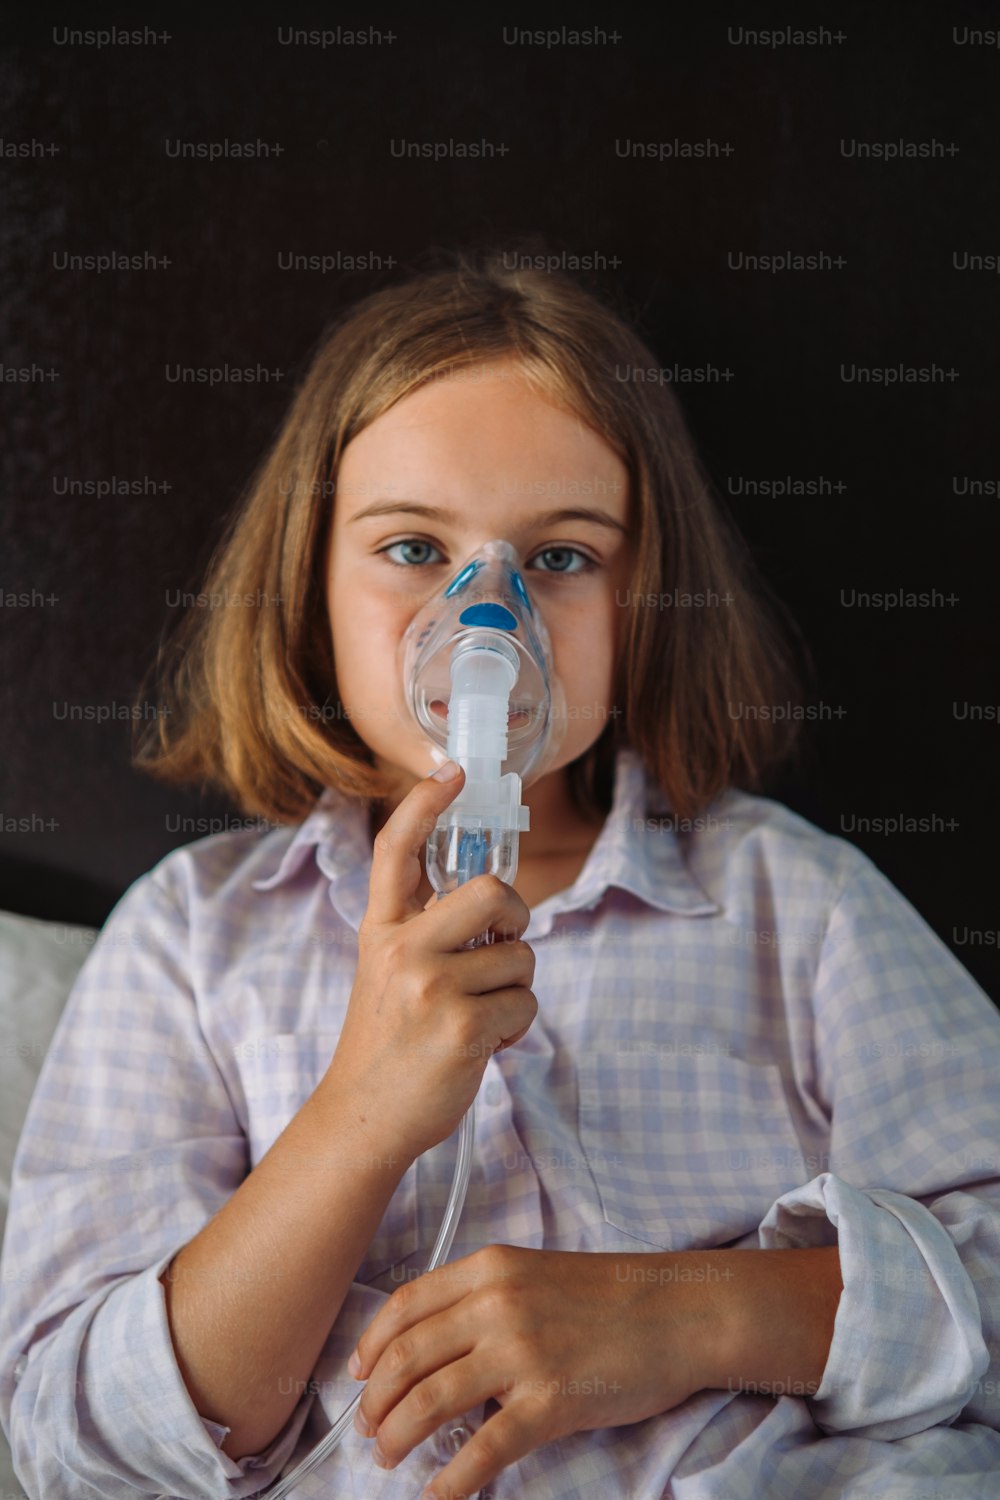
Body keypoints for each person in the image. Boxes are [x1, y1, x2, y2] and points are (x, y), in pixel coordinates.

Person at [2, 247, 999, 1500]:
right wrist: (358, 1116)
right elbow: (74, 1442)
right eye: (414, 548)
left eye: (563, 558)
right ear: (308, 580)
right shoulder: (196, 940)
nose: (488, 621)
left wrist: (691, 1310)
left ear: (650, 600)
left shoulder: (796, 909)